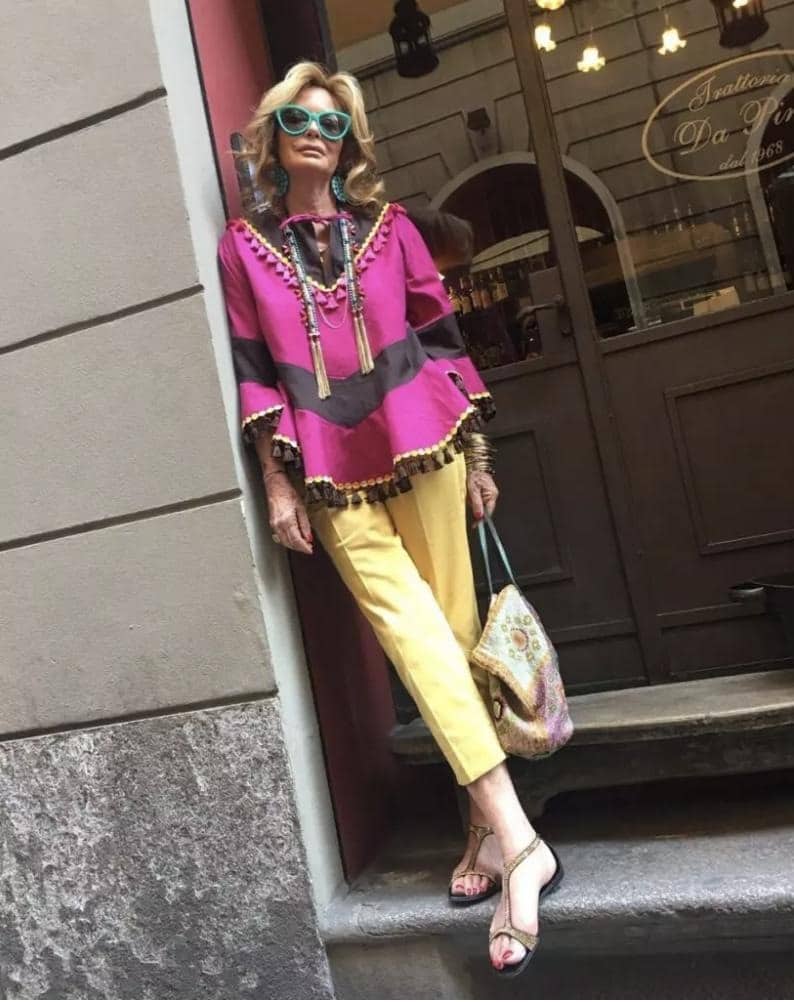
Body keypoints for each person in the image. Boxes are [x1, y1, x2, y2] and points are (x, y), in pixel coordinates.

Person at [217, 60, 562, 976]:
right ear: (273, 135)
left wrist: (479, 457)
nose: (315, 136)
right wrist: (277, 482)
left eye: (332, 125)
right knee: (414, 642)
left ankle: (487, 834)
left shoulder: (393, 228)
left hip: (427, 443)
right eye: (299, 121)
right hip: (328, 467)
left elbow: (442, 338)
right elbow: (254, 367)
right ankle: (523, 841)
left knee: (453, 634)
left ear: (350, 145)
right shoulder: (244, 248)